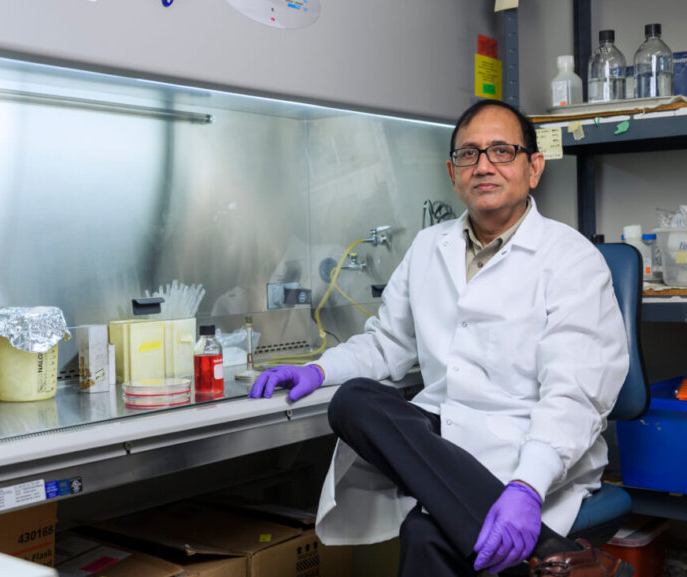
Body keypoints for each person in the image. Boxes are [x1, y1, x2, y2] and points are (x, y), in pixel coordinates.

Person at [248, 99, 632, 577]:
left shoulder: (570, 258)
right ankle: (548, 549)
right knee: (353, 402)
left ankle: (534, 534)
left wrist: (528, 488)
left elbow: (574, 395)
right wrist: (318, 369)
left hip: (532, 443)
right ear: (453, 172)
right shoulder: (430, 246)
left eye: (501, 151)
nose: (484, 166)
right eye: (469, 155)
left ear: (534, 167)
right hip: (449, 440)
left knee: (427, 534)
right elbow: (386, 344)